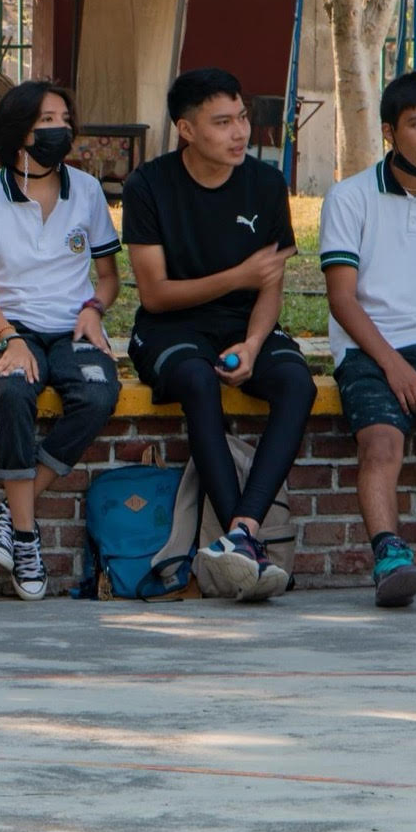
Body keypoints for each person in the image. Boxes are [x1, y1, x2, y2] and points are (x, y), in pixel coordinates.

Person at [122, 67, 316, 603]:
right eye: (222, 122)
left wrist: (254, 344)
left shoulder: (266, 183)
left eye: (242, 119)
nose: (239, 133)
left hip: (244, 322)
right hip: (171, 326)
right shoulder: (148, 185)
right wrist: (238, 277)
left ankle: (242, 532)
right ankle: (245, 543)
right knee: (198, 381)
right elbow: (155, 294)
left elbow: (270, 288)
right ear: (186, 129)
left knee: (296, 383)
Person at [0, 82, 121, 600]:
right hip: (7, 330)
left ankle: (9, 511)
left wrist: (94, 310)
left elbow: (107, 277)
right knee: (12, 392)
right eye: (45, 120)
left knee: (98, 393)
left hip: (71, 330)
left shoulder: (88, 190)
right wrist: (10, 339)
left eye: (63, 118)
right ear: (17, 133)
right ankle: (27, 538)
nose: (59, 130)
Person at [320, 70, 416, 608]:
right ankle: (390, 557)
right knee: (381, 444)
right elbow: (342, 300)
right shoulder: (349, 197)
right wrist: (394, 366)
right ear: (388, 131)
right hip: (372, 348)